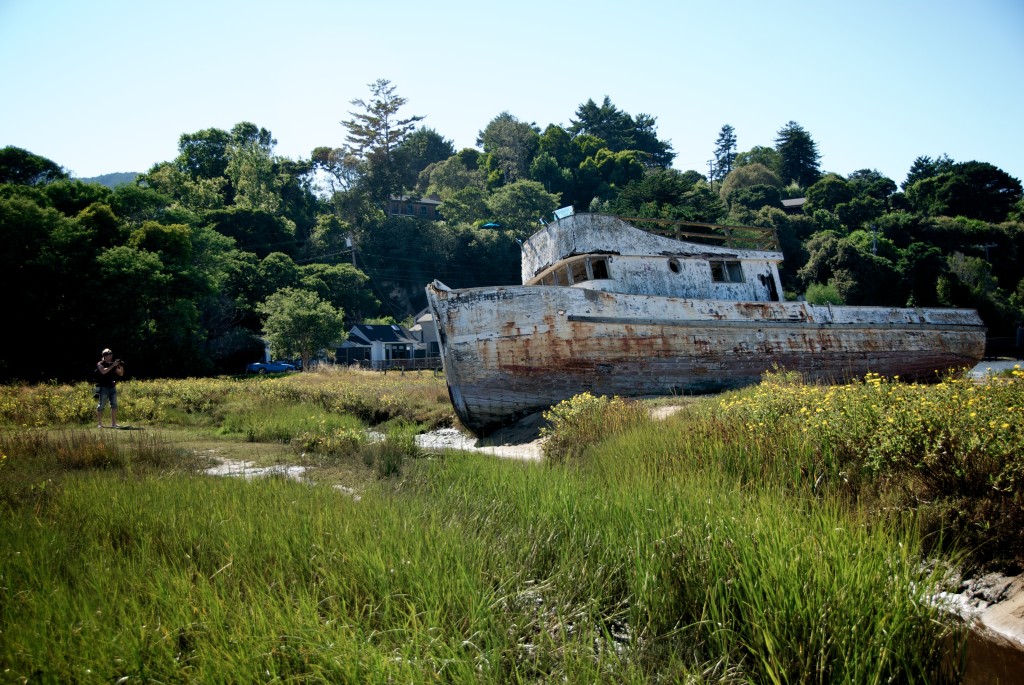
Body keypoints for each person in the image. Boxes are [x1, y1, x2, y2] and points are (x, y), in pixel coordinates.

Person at [95, 348, 124, 428]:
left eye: (111, 356)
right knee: (101, 405)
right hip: (103, 388)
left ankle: (114, 423)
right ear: (105, 356)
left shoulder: (112, 364)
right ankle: (100, 424)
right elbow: (103, 371)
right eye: (109, 356)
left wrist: (121, 366)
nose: (111, 357)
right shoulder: (100, 363)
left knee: (114, 405)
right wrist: (113, 365)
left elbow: (120, 374)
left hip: (112, 387)